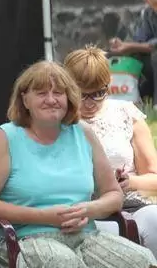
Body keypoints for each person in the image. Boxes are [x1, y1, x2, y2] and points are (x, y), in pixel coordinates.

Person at [0, 61, 157, 268]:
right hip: (25, 238)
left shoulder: (83, 133)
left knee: (143, 264)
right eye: (41, 93)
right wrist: (43, 216)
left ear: (69, 98)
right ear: (25, 99)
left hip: (83, 235)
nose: (51, 99)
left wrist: (89, 210)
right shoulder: (7, 137)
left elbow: (113, 195)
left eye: (58, 92)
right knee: (62, 265)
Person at [63, 46, 157, 256]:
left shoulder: (126, 113)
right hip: (84, 209)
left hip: (132, 204)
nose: (90, 103)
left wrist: (130, 182)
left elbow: (154, 177)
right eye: (82, 95)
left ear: (109, 84)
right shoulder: (59, 121)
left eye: (99, 93)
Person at [109, 0, 157, 101]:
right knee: (130, 55)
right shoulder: (148, 14)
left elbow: (154, 45)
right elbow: (140, 39)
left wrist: (130, 46)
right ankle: (129, 100)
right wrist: (122, 44)